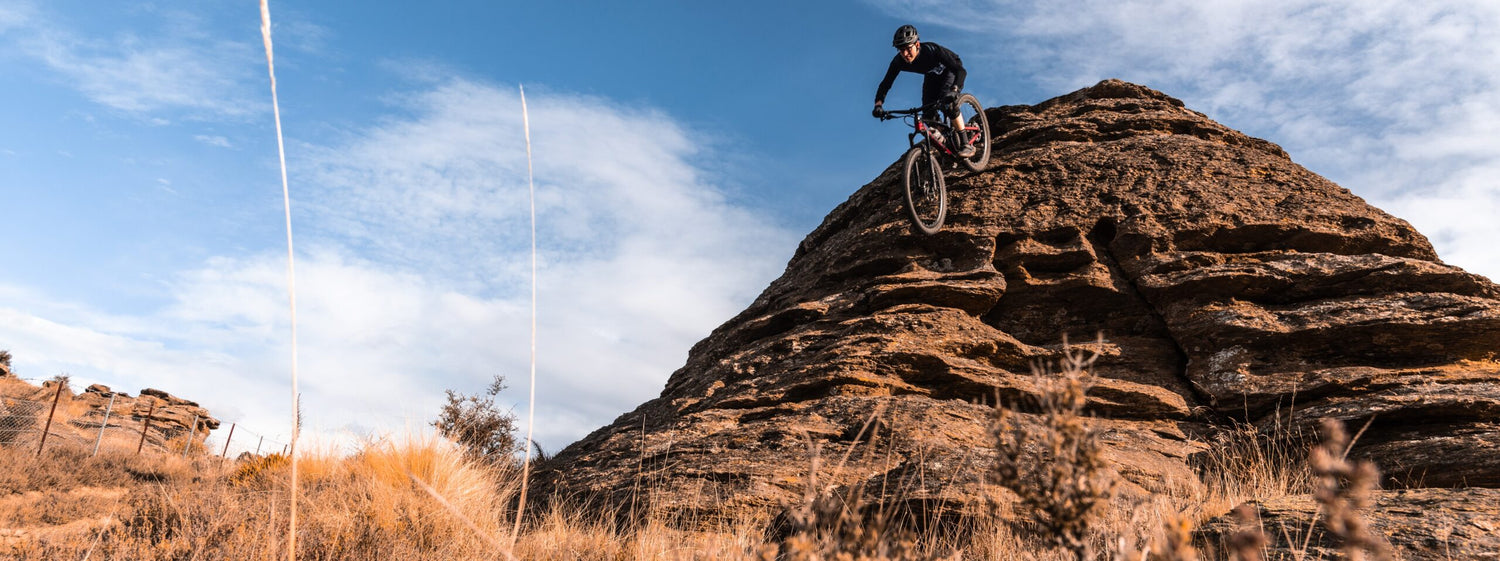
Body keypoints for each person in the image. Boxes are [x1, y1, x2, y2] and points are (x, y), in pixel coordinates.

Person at [872, 24, 975, 157]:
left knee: (947, 104)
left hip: (950, 70)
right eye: (900, 50)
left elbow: (960, 71)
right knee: (927, 114)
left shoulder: (932, 50)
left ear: (917, 44)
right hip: (931, 75)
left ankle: (965, 143)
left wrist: (955, 89)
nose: (905, 54)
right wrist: (878, 104)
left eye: (908, 49)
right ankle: (947, 139)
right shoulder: (898, 62)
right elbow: (886, 83)